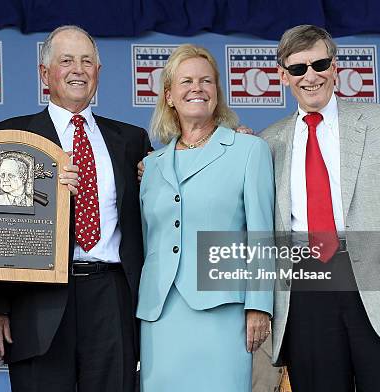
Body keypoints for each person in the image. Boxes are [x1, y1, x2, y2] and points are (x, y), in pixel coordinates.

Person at [260, 25, 380, 392]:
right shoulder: (267, 142)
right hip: (306, 292)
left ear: (335, 66)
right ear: (282, 76)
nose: (311, 76)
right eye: (298, 68)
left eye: (319, 63)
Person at [0, 25, 151, 392]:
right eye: (66, 61)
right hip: (37, 298)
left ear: (98, 72)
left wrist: (232, 136)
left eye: (86, 61)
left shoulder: (132, 140)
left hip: (112, 297)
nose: (78, 69)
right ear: (45, 74)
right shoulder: (11, 138)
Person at [136, 44, 275, 391]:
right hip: (160, 314)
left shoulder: (249, 151)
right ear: (169, 96)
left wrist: (259, 305)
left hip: (222, 312)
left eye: (206, 81)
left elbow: (262, 233)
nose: (196, 88)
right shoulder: (151, 165)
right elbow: (146, 239)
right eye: (186, 81)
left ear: (217, 92)